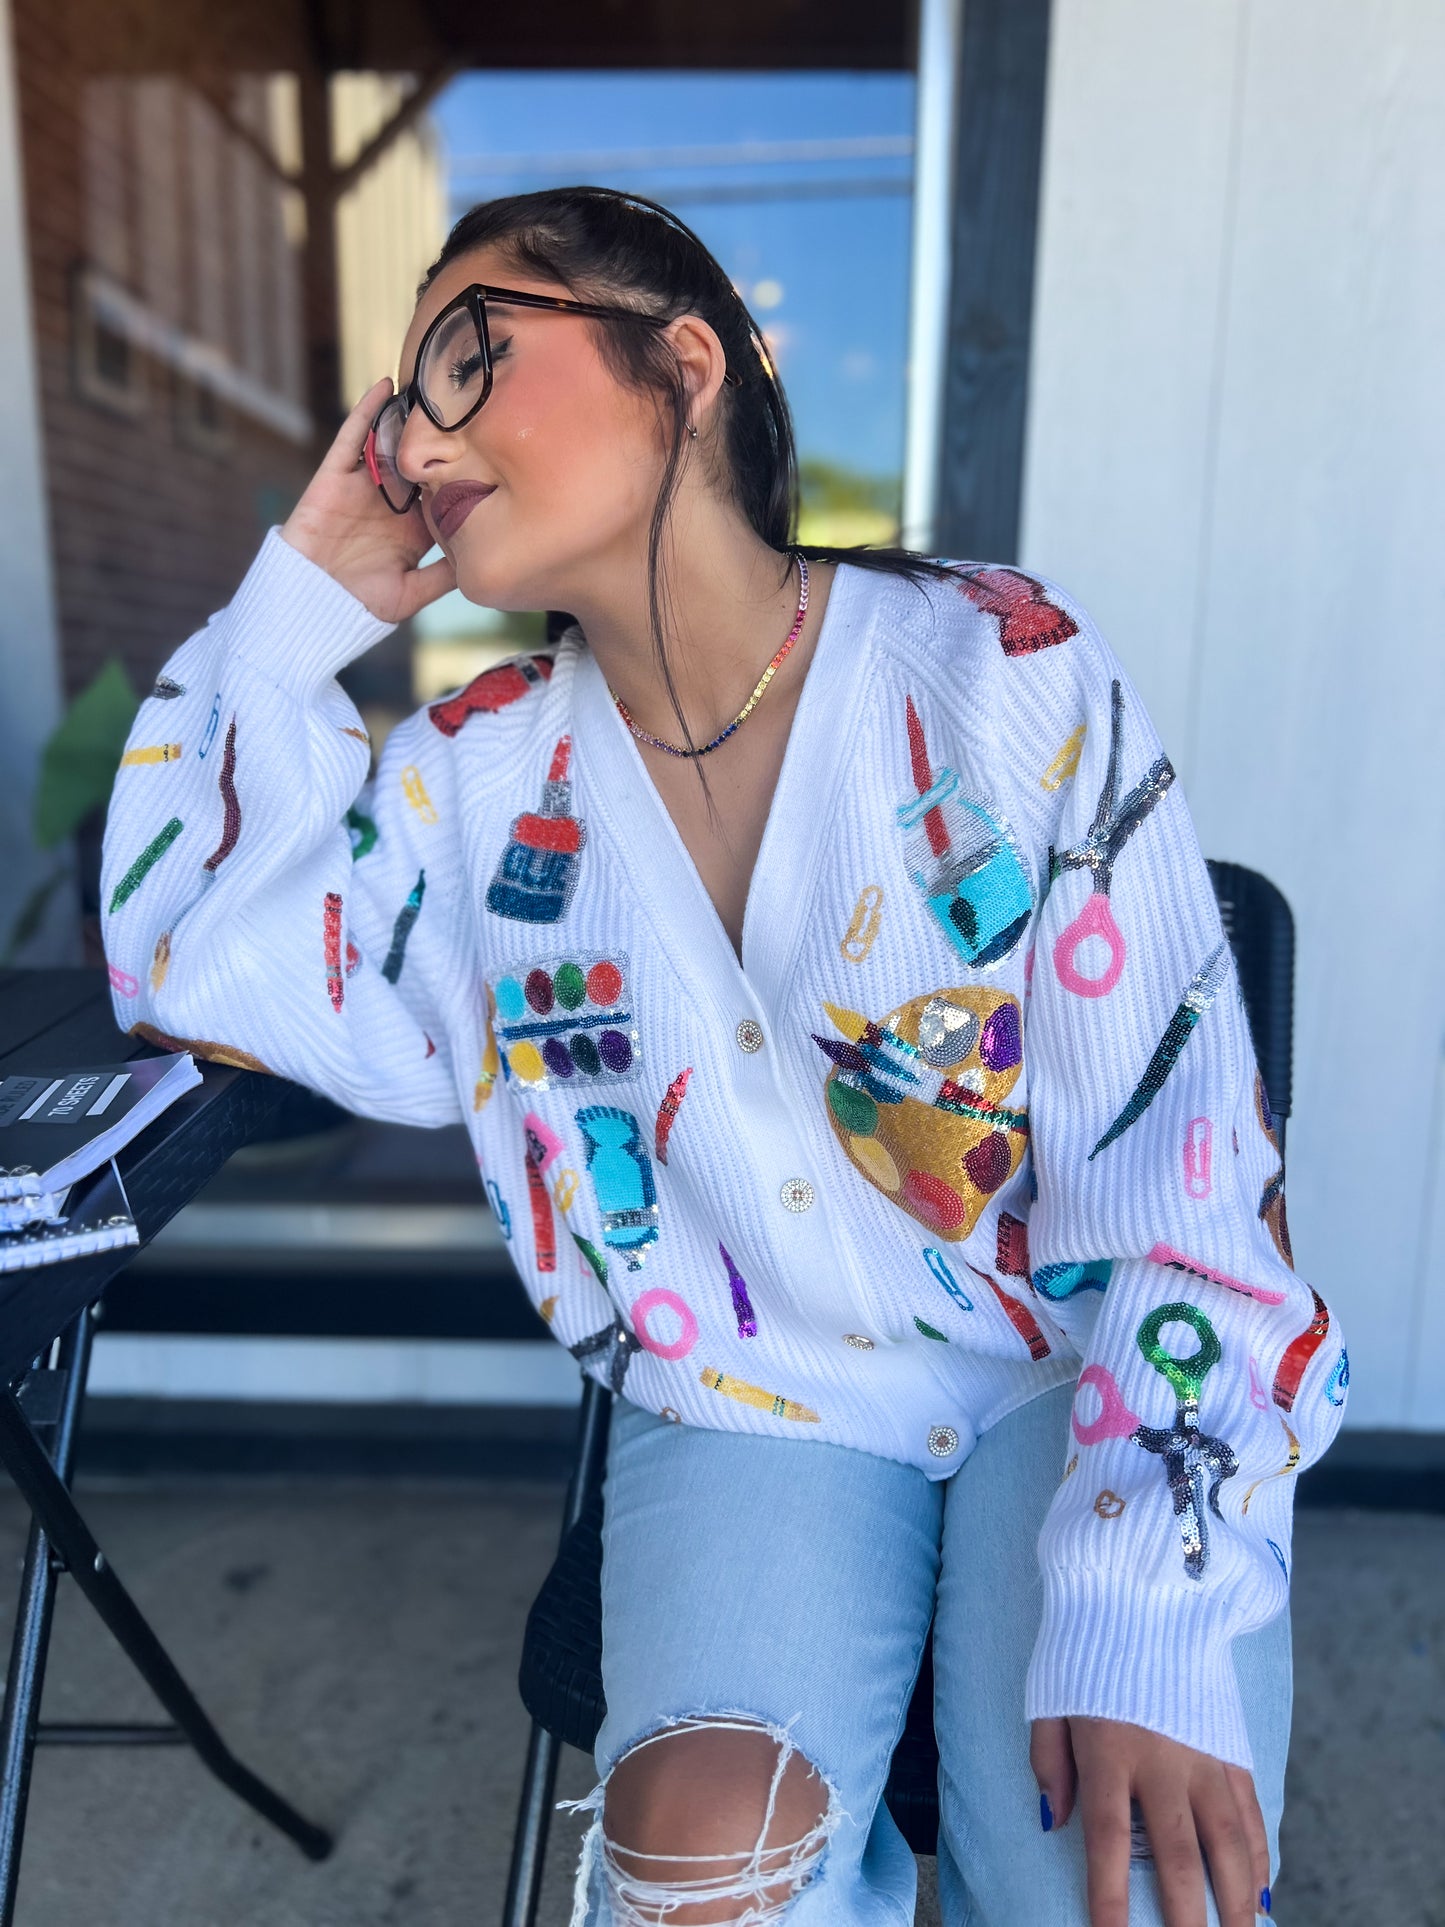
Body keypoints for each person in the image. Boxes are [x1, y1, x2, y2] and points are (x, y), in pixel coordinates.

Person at [101, 187, 1344, 1926]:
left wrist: (1152, 1596)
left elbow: (1185, 1177)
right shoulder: (473, 786)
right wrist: (299, 605)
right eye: (397, 408)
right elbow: (184, 962)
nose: (416, 439)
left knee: (1111, 1871)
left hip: (1075, 1360)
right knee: (704, 1862)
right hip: (746, 1393)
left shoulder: (997, 673)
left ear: (678, 363)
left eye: (467, 353)